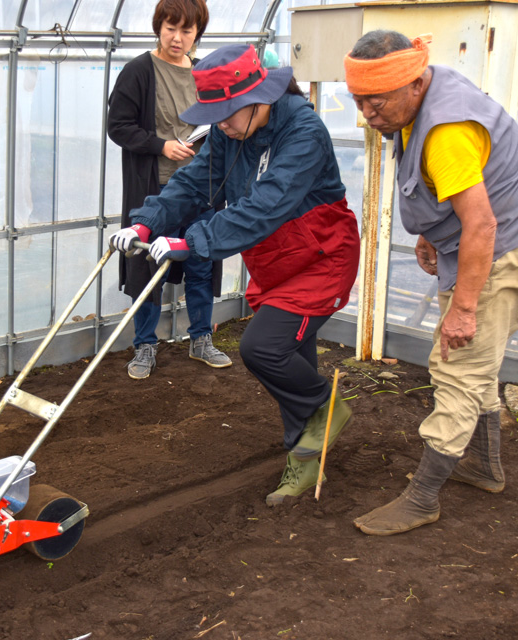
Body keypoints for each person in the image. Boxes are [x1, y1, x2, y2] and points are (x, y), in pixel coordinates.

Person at [110, 43, 360, 506]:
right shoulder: (232, 131)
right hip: (275, 259)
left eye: (227, 113)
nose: (221, 123)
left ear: (258, 97)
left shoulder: (303, 132)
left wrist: (194, 242)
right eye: (216, 115)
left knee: (262, 348)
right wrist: (148, 220)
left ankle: (326, 410)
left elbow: (268, 205)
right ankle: (304, 461)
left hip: (321, 259)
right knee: (293, 360)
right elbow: (194, 181)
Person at [343, 31, 518, 536]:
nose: (368, 114)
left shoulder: (446, 132)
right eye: (359, 101)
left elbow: (482, 225)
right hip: (487, 246)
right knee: (476, 366)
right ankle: (483, 467)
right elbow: (457, 207)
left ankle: (422, 498)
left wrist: (463, 308)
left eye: (377, 101)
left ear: (416, 83)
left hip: (503, 254)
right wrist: (437, 237)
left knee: (456, 368)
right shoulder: (419, 105)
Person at [107, 0, 232, 380]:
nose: (178, 38)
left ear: (198, 34)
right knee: (148, 268)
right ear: (158, 27)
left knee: (200, 260)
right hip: (158, 190)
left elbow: (223, 120)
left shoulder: (203, 72)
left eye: (187, 31)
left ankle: (200, 339)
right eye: (170, 28)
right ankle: (144, 345)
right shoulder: (139, 71)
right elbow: (118, 126)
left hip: (203, 189)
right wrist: (161, 145)